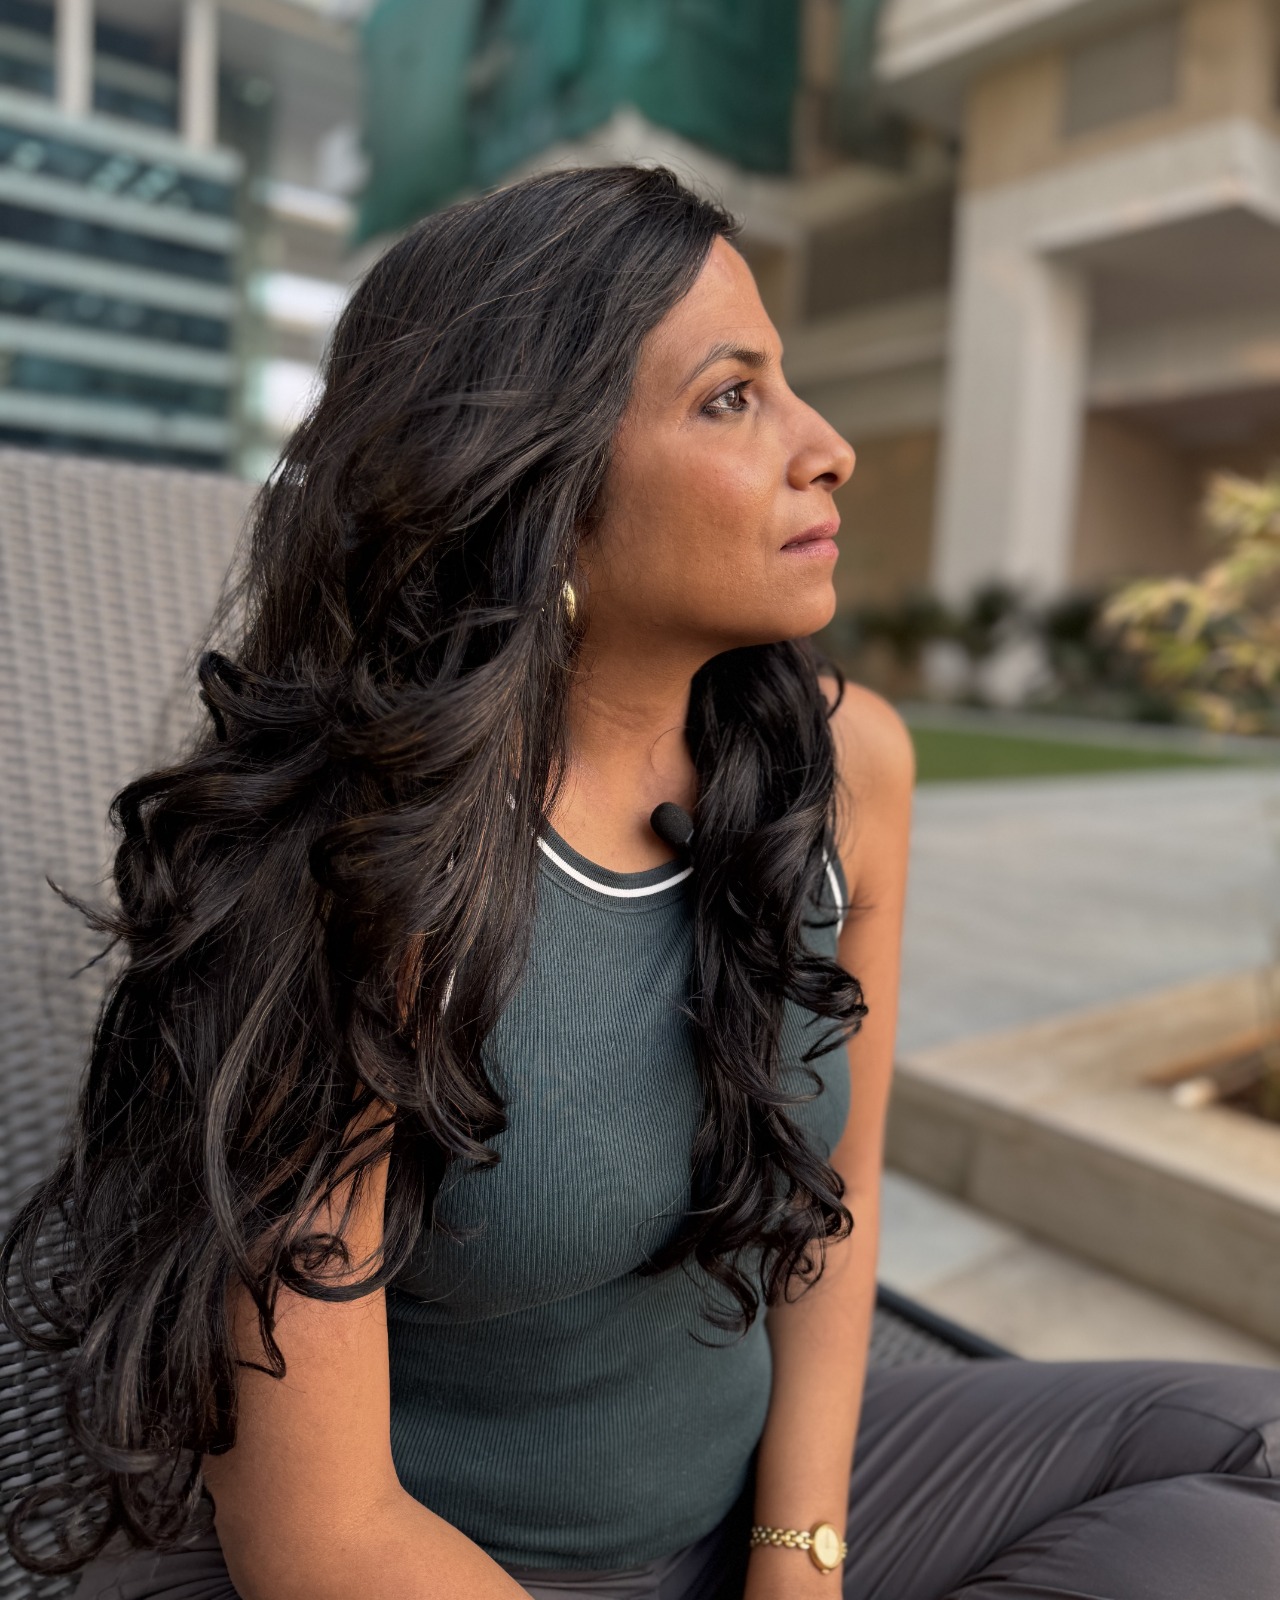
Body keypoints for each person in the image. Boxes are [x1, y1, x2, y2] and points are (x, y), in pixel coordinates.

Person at [4, 164, 1278, 1600]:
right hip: (437, 1572)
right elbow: (323, 1536)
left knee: (1255, 1457)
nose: (831, 447)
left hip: (752, 1502)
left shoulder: (846, 768)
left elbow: (827, 1206)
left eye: (785, 383)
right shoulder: (364, 882)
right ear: (542, 491)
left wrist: (798, 1560)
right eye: (731, 396)